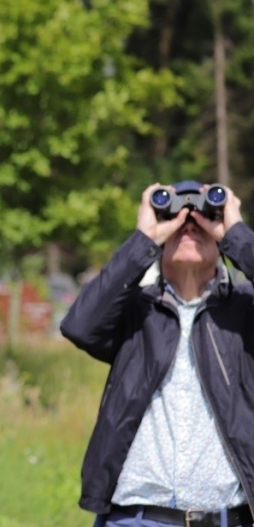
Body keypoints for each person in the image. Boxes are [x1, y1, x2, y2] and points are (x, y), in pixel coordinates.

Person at [61, 180, 254, 527]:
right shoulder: (137, 311)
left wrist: (236, 232)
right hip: (136, 517)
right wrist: (144, 238)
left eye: (202, 224)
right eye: (179, 224)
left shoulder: (244, 311)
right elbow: (80, 325)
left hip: (230, 518)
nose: (189, 228)